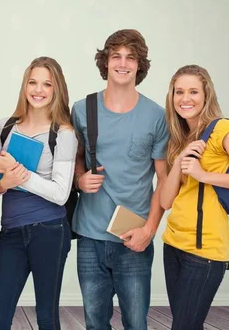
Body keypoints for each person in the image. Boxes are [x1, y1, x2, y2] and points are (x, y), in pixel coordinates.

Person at [71, 29, 168, 330]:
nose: (123, 63)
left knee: (136, 324)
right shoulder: (82, 109)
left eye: (131, 57)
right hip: (90, 237)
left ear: (140, 65)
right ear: (105, 62)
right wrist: (79, 180)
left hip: (134, 238)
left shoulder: (157, 115)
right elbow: (74, 159)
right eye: (116, 56)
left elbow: (164, 181)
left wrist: (149, 230)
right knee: (94, 323)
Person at [160, 64, 229, 330]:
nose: (186, 99)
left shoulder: (223, 130)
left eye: (194, 91)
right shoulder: (178, 138)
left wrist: (203, 174)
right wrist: (180, 160)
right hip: (173, 245)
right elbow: (165, 201)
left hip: (204, 252)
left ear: (207, 95)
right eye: (179, 92)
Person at [0, 56, 77, 330]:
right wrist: (5, 183)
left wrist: (18, 173)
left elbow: (61, 193)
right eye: (33, 82)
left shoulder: (63, 134)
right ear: (25, 86)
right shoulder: (4, 128)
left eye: (46, 84)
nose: (38, 90)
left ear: (56, 89)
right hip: (11, 231)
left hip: (49, 231)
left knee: (46, 318)